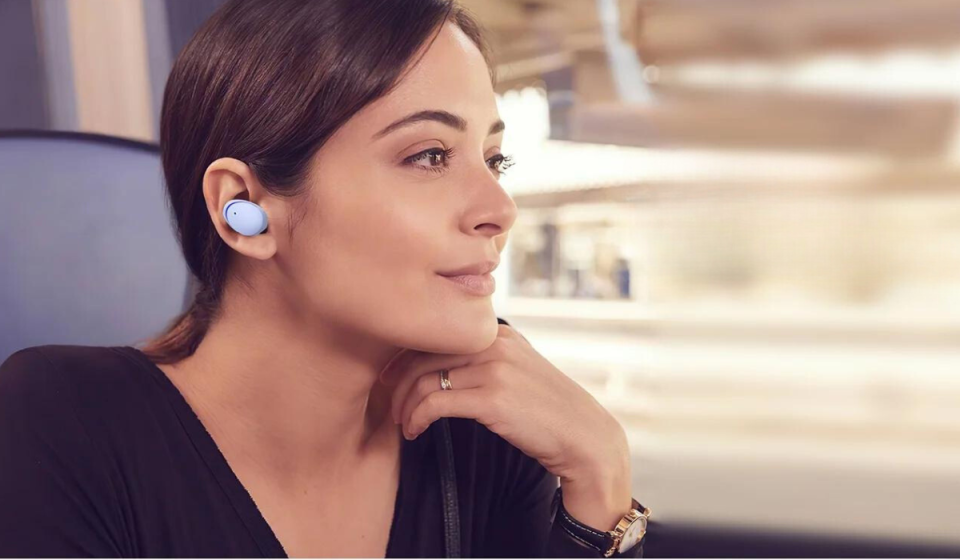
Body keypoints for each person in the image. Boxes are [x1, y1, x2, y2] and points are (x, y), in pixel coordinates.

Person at [0, 0, 649, 556]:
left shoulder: (490, 438)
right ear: (246, 211)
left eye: (492, 159)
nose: (499, 211)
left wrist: (599, 478)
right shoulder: (60, 425)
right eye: (428, 156)